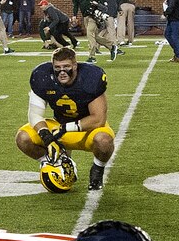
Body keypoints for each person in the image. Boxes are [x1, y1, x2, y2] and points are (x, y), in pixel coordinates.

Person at [15, 47, 115, 191]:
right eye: (57, 68)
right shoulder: (42, 77)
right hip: (58, 125)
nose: (62, 72)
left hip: (86, 128)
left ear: (75, 65)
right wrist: (45, 135)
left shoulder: (90, 78)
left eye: (66, 67)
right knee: (23, 138)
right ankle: (57, 161)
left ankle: (98, 170)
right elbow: (35, 114)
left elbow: (98, 119)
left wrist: (66, 128)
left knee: (104, 141)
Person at [71, 0, 119, 64]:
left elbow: (102, 0)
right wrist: (74, 15)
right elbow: (76, 5)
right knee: (95, 36)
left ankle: (92, 56)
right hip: (85, 16)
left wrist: (98, 5)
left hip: (94, 16)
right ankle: (111, 46)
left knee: (89, 34)